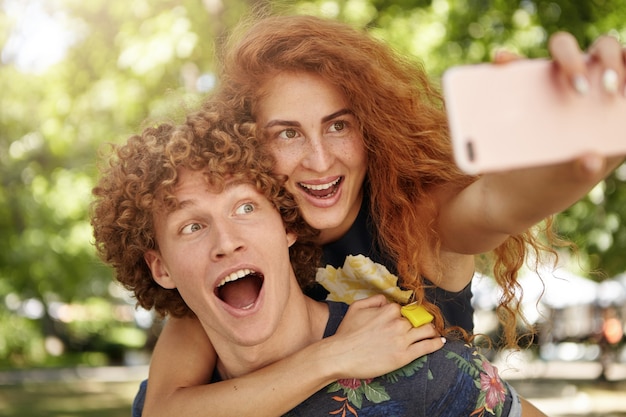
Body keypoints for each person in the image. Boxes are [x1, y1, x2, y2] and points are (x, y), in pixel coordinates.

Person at [140, 14, 626, 416]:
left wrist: (575, 163)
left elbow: (499, 205)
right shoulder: (232, 259)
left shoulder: (415, 214)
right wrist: (334, 357)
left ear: (370, 129)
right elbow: (165, 409)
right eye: (287, 133)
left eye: (338, 126)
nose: (319, 159)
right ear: (247, 147)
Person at [90, 106, 548, 416]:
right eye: (191, 226)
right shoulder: (165, 399)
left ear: (288, 224)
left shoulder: (419, 364)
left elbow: (499, 205)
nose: (225, 242)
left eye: (246, 208)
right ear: (160, 268)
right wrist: (332, 358)